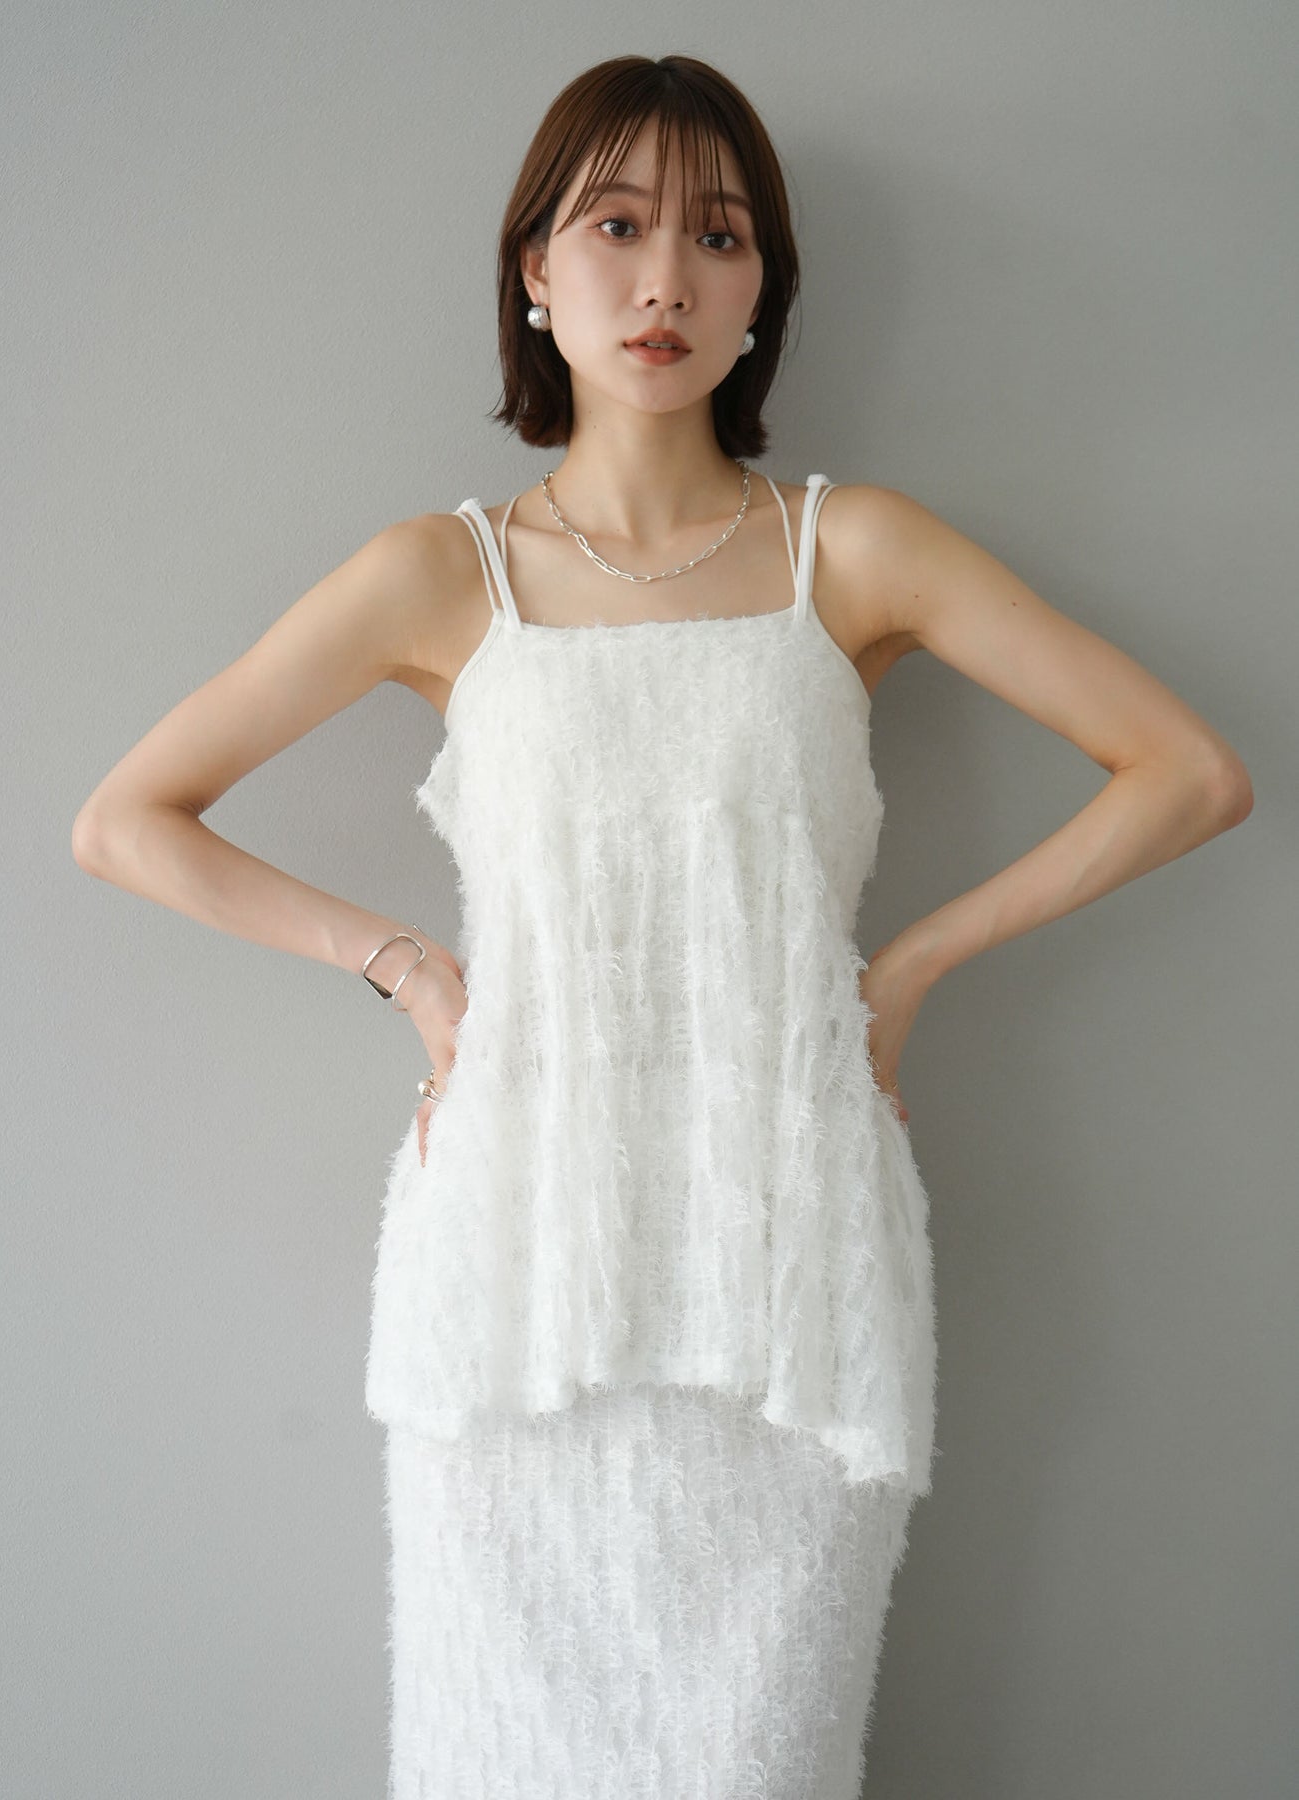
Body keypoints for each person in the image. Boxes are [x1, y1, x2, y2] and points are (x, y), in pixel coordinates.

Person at [73, 51, 1252, 1800]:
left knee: (763, 1756)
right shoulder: (440, 574)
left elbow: (1188, 774)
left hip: (787, 1257)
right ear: (533, 273)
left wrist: (908, 970)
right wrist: (403, 968)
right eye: (615, 227)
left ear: (762, 289)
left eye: (718, 236)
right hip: (518, 1262)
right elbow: (126, 821)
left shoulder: (851, 551)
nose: (665, 280)